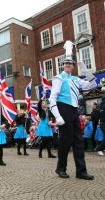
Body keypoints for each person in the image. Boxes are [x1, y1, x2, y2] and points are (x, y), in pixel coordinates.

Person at [49, 42, 96, 180]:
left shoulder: (76, 79)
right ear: (63, 65)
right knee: (65, 141)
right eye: (65, 63)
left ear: (74, 65)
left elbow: (92, 84)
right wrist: (57, 116)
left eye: (70, 63)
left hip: (74, 111)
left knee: (79, 142)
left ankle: (81, 171)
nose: (68, 64)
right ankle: (60, 168)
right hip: (63, 108)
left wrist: (84, 69)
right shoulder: (59, 78)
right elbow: (52, 99)